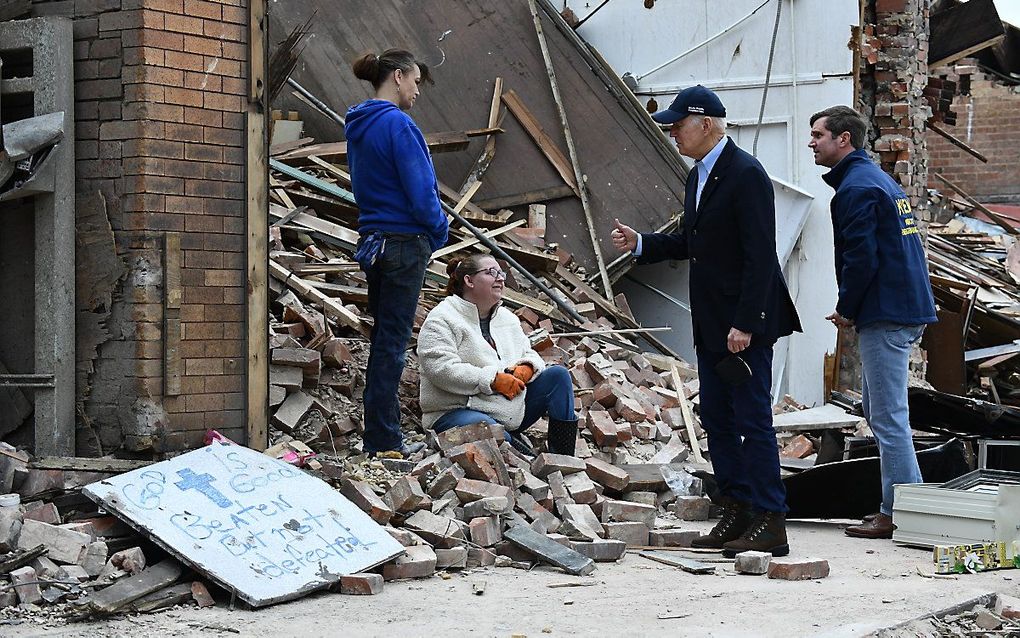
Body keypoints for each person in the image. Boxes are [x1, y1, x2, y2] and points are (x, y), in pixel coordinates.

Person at [611, 85, 801, 557]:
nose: (673, 133)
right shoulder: (700, 175)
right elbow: (696, 243)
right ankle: (737, 509)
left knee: (752, 420)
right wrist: (643, 243)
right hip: (714, 322)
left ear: (708, 124)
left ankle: (769, 517)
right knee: (717, 417)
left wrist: (747, 322)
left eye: (679, 125)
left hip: (742, 325)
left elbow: (760, 255)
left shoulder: (746, 174)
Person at [809, 106, 937, 539]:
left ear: (843, 139)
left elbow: (862, 256)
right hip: (901, 308)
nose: (811, 143)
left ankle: (901, 512)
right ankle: (907, 505)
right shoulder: (878, 180)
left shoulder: (857, 189)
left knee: (887, 417)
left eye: (818, 135)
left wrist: (847, 307)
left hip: (887, 312)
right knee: (883, 412)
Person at [345, 49, 449, 459]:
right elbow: (422, 192)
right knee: (393, 342)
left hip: (374, 241)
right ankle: (384, 440)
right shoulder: (399, 125)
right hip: (405, 242)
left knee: (383, 340)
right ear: (399, 76)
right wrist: (438, 232)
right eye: (417, 82)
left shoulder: (359, 124)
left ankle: (379, 434)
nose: (418, 91)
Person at [417, 254, 579, 455]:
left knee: (558, 376)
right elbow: (440, 369)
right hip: (455, 412)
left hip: (507, 410)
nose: (500, 278)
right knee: (489, 430)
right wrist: (492, 380)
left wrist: (527, 367)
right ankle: (527, 460)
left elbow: (528, 352)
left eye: (500, 273)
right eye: (491, 272)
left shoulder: (507, 318)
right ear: (469, 281)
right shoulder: (442, 319)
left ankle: (563, 458)